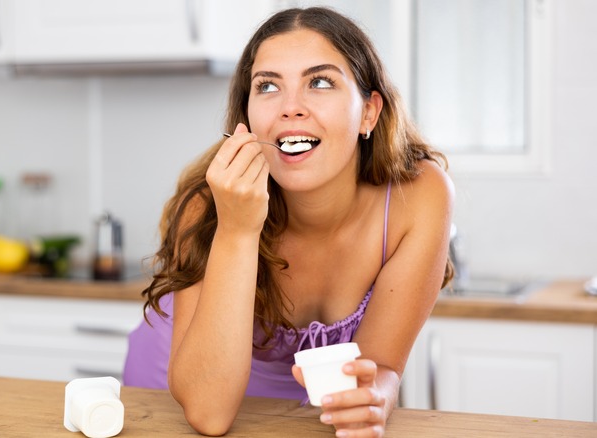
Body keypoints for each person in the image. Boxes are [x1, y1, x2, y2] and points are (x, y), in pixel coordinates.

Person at [124, 6, 454, 437]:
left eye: (319, 82)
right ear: (246, 119)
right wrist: (238, 229)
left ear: (369, 113)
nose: (290, 108)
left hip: (303, 421)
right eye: (267, 86)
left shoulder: (419, 197)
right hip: (177, 400)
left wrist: (379, 395)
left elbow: (381, 369)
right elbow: (208, 414)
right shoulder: (209, 206)